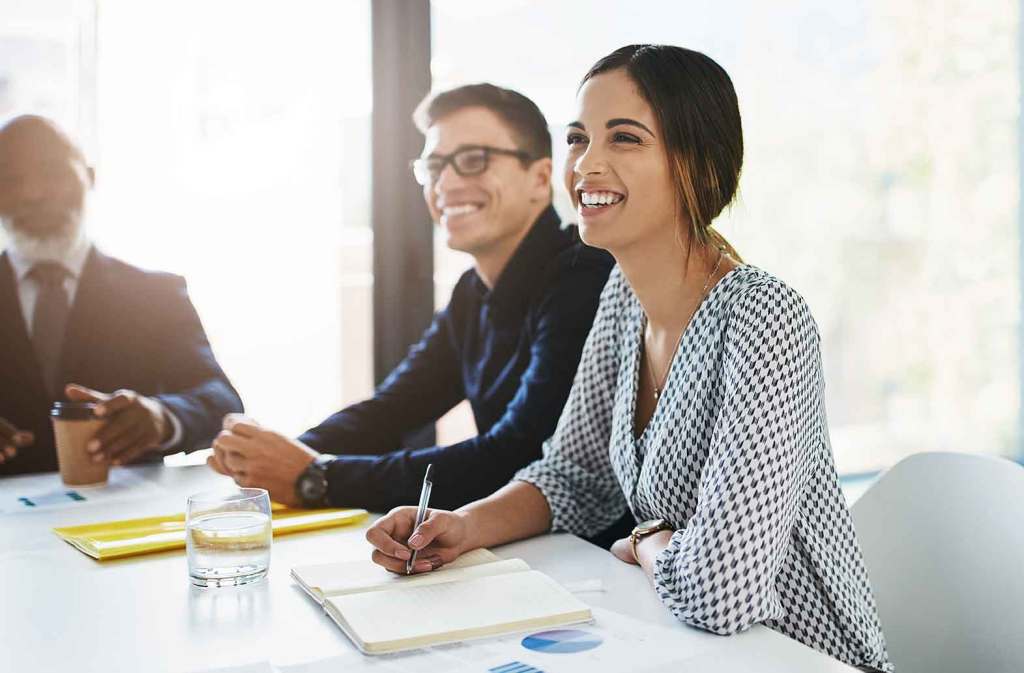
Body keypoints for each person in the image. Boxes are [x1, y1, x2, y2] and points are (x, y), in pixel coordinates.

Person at [363, 46, 894, 672]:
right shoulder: (621, 298)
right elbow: (575, 476)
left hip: (797, 657)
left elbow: (725, 594)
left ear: (695, 166)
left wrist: (645, 542)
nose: (587, 164)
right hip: (685, 648)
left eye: (625, 139)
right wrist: (464, 527)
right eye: (579, 139)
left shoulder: (764, 318)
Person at [210, 84, 614, 515]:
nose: (448, 182)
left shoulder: (581, 278)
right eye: (435, 165)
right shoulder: (473, 292)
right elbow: (392, 409)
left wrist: (318, 477)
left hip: (592, 556)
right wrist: (274, 456)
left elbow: (516, 456)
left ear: (539, 178)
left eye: (474, 160)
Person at [0, 115, 243, 476]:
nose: (33, 194)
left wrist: (162, 417)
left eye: (53, 173)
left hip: (126, 519)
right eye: (10, 179)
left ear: (90, 177)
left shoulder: (155, 295)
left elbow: (221, 400)